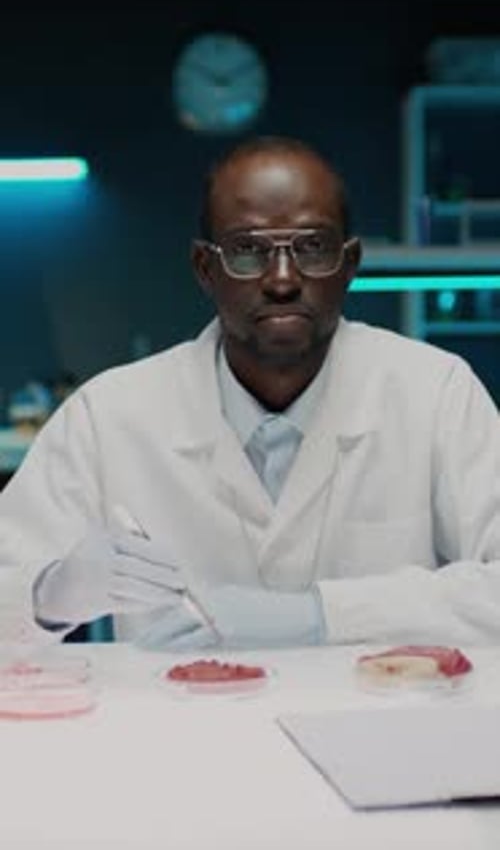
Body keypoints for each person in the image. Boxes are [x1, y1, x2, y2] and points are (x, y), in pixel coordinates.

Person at [0, 134, 499, 652]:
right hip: (177, 729)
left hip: (385, 727)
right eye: (246, 251)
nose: (282, 279)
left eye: (311, 247)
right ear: (204, 268)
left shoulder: (436, 393)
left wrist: (321, 615)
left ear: (350, 264)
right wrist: (47, 597)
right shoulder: (108, 416)